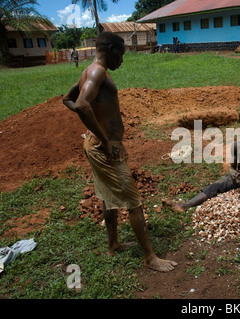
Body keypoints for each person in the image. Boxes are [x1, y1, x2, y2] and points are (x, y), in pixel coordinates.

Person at [62, 32, 177, 272]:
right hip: (104, 149)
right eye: (122, 54)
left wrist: (98, 128)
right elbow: (81, 105)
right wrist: (105, 140)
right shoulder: (97, 72)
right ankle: (149, 257)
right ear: (112, 49)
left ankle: (113, 244)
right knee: (134, 202)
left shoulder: (90, 71)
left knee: (107, 196)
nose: (122, 60)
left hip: (97, 144)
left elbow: (68, 99)